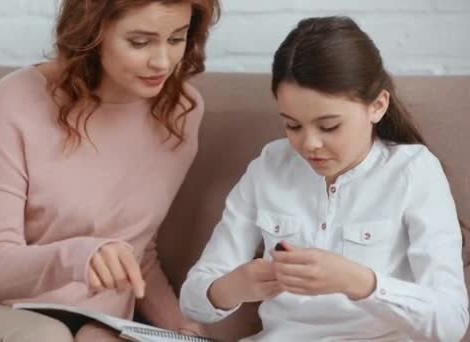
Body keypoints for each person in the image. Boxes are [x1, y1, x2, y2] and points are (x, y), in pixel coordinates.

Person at [0, 0, 220, 341]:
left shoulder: (180, 111)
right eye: (139, 42)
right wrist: (81, 256)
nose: (163, 61)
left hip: (92, 322)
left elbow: (137, 251)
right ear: (93, 32)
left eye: (177, 38)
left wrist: (184, 331)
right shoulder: (17, 97)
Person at [180, 16, 469, 341]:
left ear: (377, 106)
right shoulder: (269, 166)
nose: (309, 145)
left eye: (329, 126)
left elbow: (450, 321)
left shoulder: (414, 171)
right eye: (292, 125)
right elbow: (193, 301)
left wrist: (359, 282)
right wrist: (236, 285)